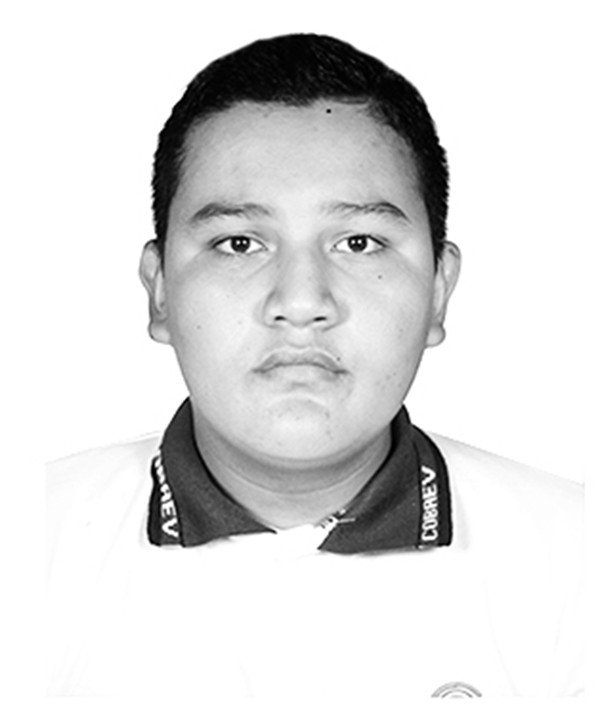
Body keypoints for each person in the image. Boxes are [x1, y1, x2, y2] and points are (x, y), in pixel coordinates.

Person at [46, 33, 583, 699]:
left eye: (359, 242)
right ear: (159, 291)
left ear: (438, 291)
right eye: (238, 243)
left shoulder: (578, 566)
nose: (301, 303)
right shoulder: (30, 548)